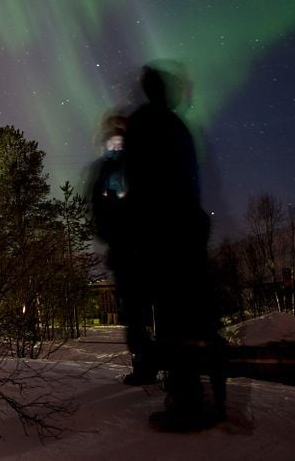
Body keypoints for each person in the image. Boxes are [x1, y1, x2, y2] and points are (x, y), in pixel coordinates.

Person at [124, 63, 225, 431]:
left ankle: (186, 402)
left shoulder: (141, 124)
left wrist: (136, 232)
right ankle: (192, 390)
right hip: (186, 228)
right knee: (187, 311)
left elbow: (136, 183)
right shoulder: (175, 125)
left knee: (171, 314)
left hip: (161, 232)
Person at [90, 115, 158, 386]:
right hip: (131, 249)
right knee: (137, 314)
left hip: (139, 249)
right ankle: (146, 366)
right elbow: (99, 210)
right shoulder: (110, 171)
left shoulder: (133, 168)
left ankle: (150, 367)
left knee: (140, 312)